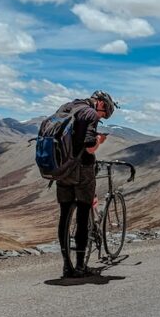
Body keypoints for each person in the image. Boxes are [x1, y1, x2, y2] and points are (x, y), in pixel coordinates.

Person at [55, 90, 117, 278]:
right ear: (99, 103)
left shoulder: (67, 107)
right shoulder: (90, 113)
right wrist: (99, 139)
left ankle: (67, 265)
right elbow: (89, 146)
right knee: (83, 213)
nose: (102, 115)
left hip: (62, 169)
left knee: (65, 214)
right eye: (104, 111)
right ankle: (81, 266)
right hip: (82, 169)